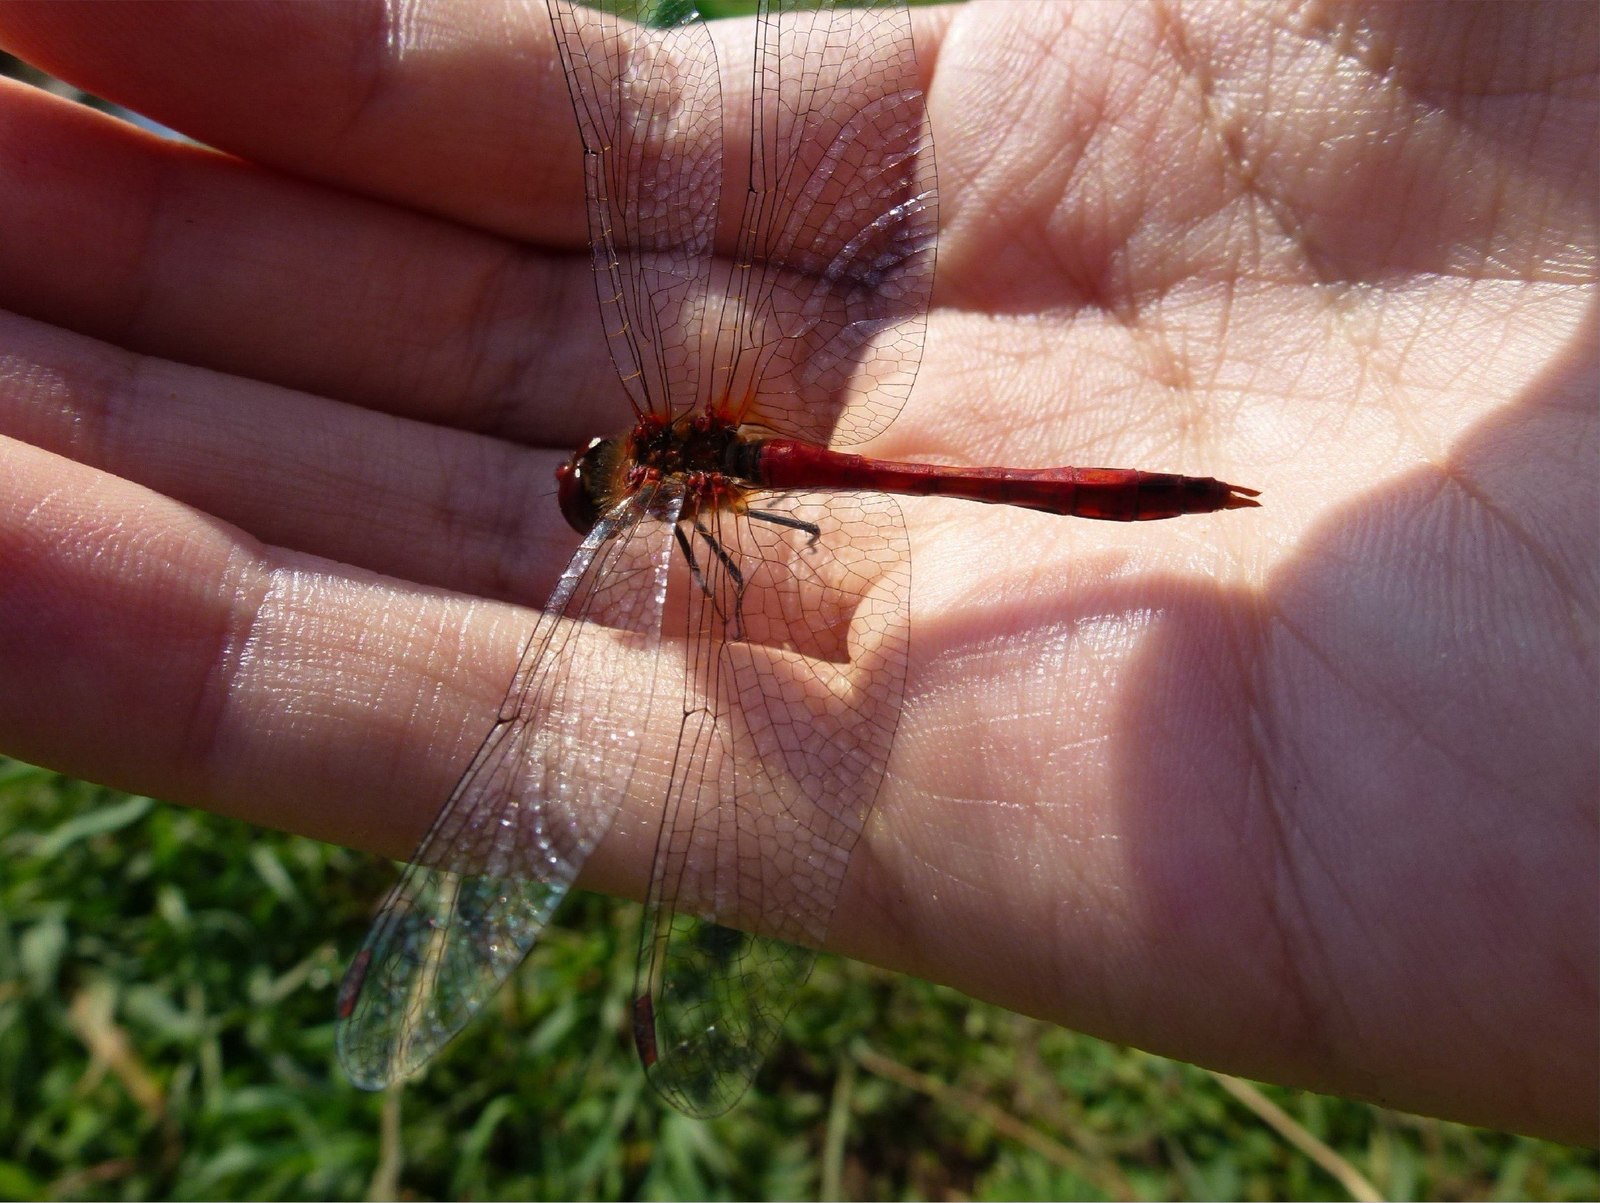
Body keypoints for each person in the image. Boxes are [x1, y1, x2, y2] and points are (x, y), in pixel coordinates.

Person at [0, 0, 1591, 1146]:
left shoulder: (661, 504)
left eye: (598, 491)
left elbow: (708, 545)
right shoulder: (675, 457)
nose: (603, 495)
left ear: (621, 486)